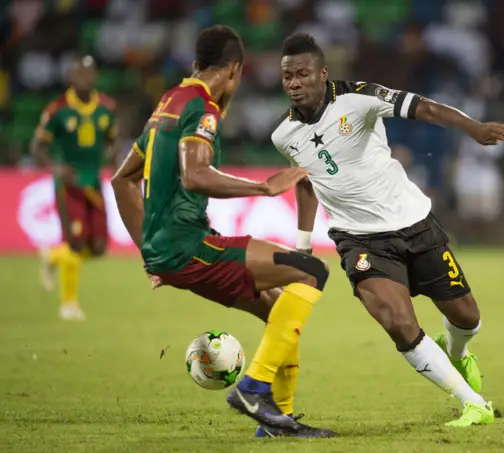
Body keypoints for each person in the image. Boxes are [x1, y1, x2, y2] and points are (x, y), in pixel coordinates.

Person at [272, 34, 504, 427]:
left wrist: (473, 128)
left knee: (467, 317)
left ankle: (455, 352)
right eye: (287, 76)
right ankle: (473, 404)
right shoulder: (283, 135)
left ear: (323, 74)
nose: (294, 83)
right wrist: (302, 244)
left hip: (413, 222)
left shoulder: (358, 98)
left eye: (302, 74)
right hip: (359, 240)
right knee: (399, 323)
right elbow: (306, 179)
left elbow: (425, 107)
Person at [111, 26, 335, 438]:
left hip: (173, 249)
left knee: (278, 310)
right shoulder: (202, 107)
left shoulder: (168, 103)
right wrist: (264, 187)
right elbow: (194, 175)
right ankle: (252, 390)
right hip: (190, 246)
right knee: (312, 271)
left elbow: (122, 180)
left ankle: (275, 422)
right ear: (234, 70)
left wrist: (150, 252)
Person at [31, 55, 119, 321]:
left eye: (90, 74)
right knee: (76, 243)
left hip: (93, 183)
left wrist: (117, 166)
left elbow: (112, 142)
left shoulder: (106, 107)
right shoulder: (57, 110)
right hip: (68, 185)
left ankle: (52, 257)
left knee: (99, 248)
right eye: (80, 74)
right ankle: (68, 304)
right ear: (71, 78)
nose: (86, 79)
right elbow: (36, 147)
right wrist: (56, 168)